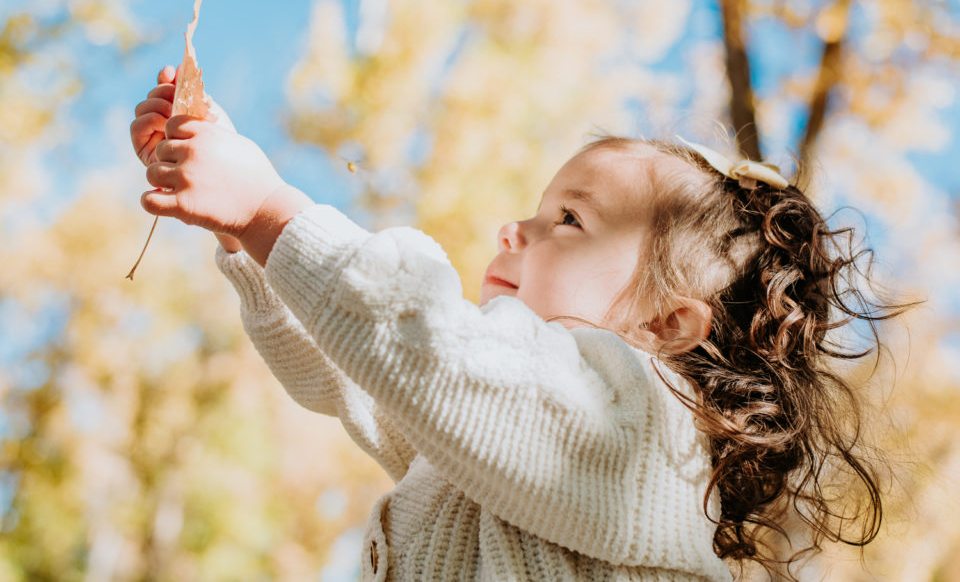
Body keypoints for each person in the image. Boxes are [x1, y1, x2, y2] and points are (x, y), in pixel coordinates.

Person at [129, 66, 902, 581]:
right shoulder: (496, 419)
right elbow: (353, 373)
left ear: (669, 323)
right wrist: (238, 232)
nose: (513, 229)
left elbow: (419, 343)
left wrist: (267, 207)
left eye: (566, 219)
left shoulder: (640, 422)